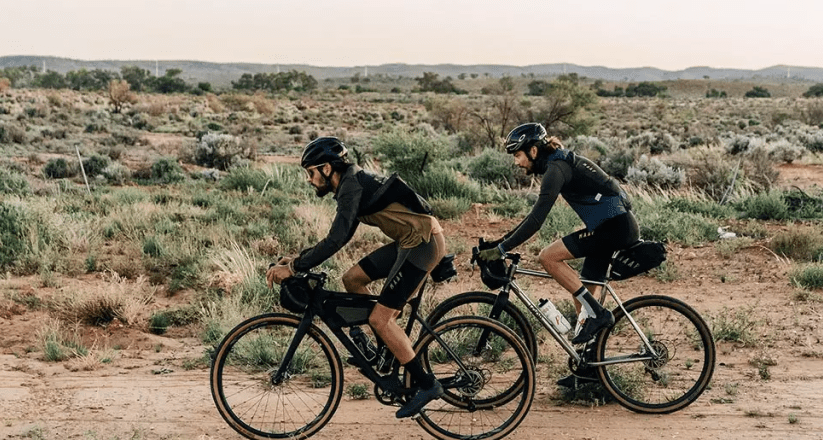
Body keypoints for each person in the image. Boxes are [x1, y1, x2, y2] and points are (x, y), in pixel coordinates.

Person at [266, 136, 446, 419]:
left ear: (327, 169)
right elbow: (342, 234)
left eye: (310, 172)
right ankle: (378, 347)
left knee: (380, 318)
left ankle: (426, 385)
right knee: (352, 279)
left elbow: (337, 238)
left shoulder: (352, 186)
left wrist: (295, 268)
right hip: (407, 241)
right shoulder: (349, 184)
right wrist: (299, 258)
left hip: (421, 243)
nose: (308, 180)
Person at [478, 123, 639, 386]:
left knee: (548, 257)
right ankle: (590, 370)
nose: (516, 162)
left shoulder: (556, 169)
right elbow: (531, 218)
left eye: (517, 155)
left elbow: (536, 220)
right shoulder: (557, 163)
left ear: (532, 150)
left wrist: (502, 249)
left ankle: (599, 313)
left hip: (615, 229)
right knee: (584, 298)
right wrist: (500, 243)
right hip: (612, 227)